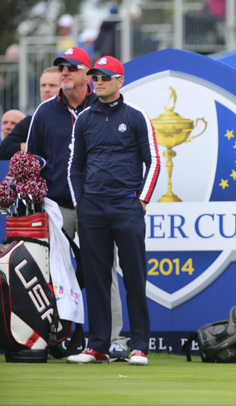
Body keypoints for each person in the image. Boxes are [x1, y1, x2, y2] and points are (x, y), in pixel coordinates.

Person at [26, 48, 129, 362]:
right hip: (57, 207)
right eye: (61, 68)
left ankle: (111, 341)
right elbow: (30, 160)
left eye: (72, 67)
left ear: (88, 74)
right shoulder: (45, 111)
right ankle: (47, 337)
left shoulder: (107, 106)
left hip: (97, 205)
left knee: (102, 272)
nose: (65, 72)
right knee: (47, 274)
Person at [66, 56, 160, 365]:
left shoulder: (135, 115)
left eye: (106, 76)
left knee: (134, 276)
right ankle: (98, 346)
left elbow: (154, 160)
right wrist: (81, 202)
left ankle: (139, 345)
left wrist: (141, 200)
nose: (99, 80)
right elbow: (75, 166)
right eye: (95, 76)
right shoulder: (84, 119)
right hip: (92, 207)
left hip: (126, 205)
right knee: (95, 278)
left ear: (120, 80)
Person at [0, 67, 60, 159]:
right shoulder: (30, 122)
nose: (46, 89)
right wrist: (37, 146)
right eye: (43, 85)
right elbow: (4, 150)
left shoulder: (76, 117)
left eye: (52, 85)